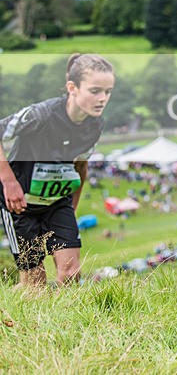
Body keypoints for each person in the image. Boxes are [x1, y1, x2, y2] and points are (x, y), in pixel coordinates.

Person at [0, 54, 114, 288]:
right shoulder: (41, 114)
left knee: (71, 274)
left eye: (108, 91)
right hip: (20, 204)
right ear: (72, 88)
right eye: (95, 91)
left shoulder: (96, 124)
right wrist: (8, 181)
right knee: (35, 283)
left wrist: (72, 205)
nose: (103, 99)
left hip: (57, 201)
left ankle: (66, 322)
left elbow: (81, 164)